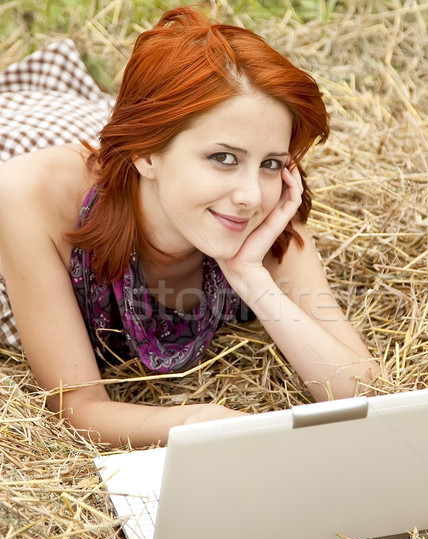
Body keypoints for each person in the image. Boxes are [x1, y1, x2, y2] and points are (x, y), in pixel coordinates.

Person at [0, 7, 379, 447]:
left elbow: (365, 393)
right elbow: (76, 408)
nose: (251, 196)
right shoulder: (29, 195)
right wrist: (202, 422)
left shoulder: (264, 208)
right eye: (224, 158)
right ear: (146, 153)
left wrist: (251, 277)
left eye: (271, 163)